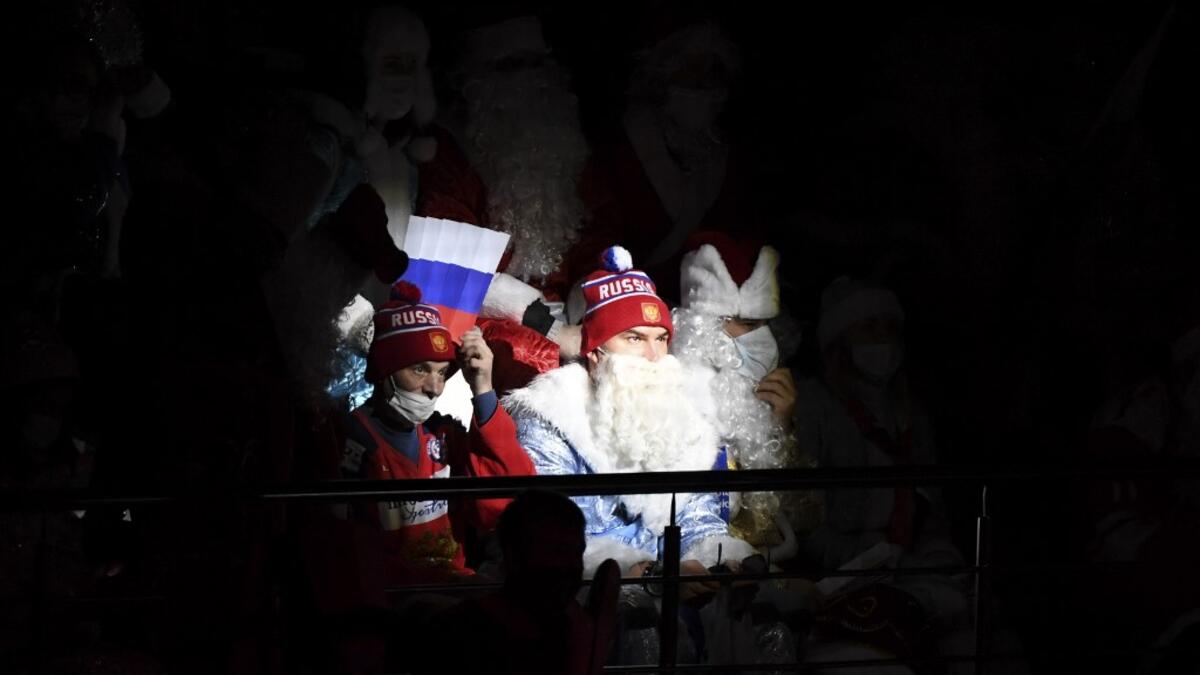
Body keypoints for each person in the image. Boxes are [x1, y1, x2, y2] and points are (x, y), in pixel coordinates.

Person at [503, 246, 754, 575]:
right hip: (596, 594)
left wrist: (718, 560)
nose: (654, 355)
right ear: (595, 354)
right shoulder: (549, 419)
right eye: (635, 339)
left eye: (661, 338)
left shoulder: (682, 416)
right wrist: (646, 576)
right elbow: (562, 540)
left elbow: (697, 517)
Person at [336, 280, 534, 586]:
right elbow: (351, 558)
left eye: (442, 372)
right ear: (384, 371)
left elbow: (506, 504)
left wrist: (483, 389)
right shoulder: (350, 442)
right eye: (419, 370)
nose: (435, 388)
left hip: (456, 594)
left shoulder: (442, 434)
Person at [672, 232, 818, 552]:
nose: (758, 336)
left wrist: (782, 429)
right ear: (704, 325)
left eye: (761, 324)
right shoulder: (674, 399)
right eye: (743, 323)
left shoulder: (769, 395)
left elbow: (803, 520)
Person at [420, 490, 621, 675]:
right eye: (556, 552)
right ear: (514, 555)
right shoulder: (457, 636)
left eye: (576, 553)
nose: (568, 565)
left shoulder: (571, 629)